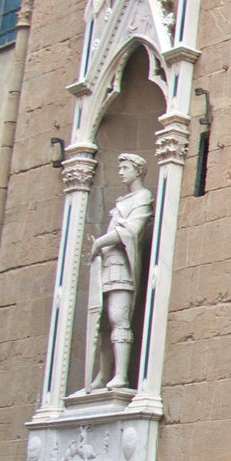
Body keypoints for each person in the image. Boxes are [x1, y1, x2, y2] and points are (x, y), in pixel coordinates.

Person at [83, 153, 153, 392]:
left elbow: (131, 231)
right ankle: (103, 375)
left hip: (123, 266)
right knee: (102, 323)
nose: (121, 172)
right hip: (107, 265)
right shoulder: (123, 200)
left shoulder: (143, 197)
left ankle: (121, 375)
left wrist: (99, 242)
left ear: (138, 169)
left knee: (118, 318)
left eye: (125, 167)